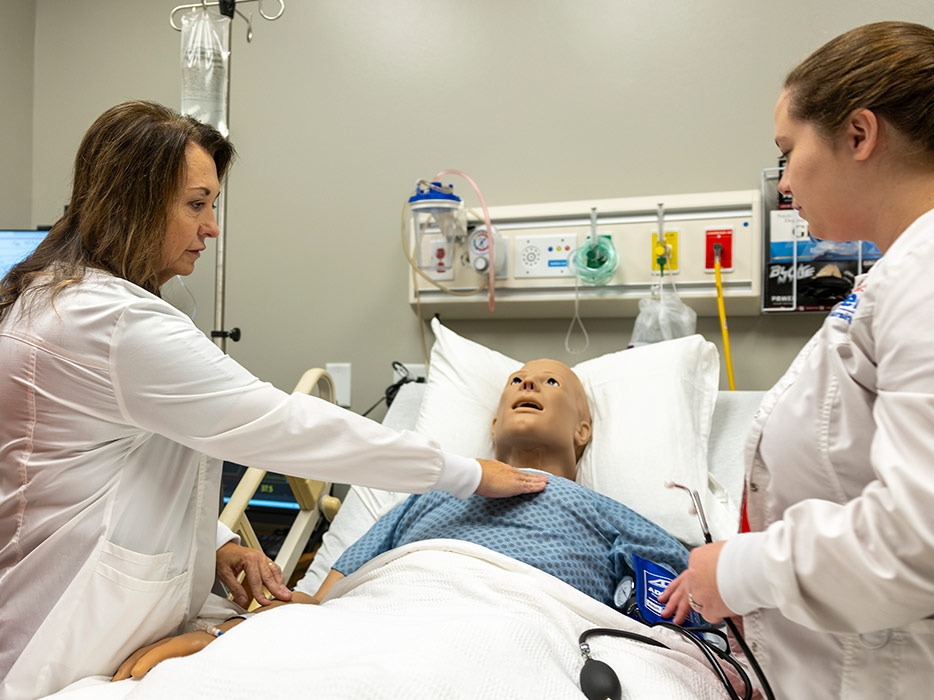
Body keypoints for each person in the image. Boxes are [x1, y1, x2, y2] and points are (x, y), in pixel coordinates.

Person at [0, 100, 546, 700]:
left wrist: (214, 544)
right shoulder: (114, 323)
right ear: (135, 201)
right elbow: (286, 427)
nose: (211, 227)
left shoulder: (50, 300)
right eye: (197, 204)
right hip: (62, 636)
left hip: (84, 612)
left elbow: (98, 467)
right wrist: (467, 473)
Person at [660, 22, 934, 698]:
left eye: (788, 151)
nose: (784, 182)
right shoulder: (924, 265)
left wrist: (736, 572)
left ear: (859, 135)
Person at [113, 359, 692, 680]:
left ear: (583, 432)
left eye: (550, 381)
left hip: (518, 623)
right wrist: (229, 635)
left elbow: (694, 597)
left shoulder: (600, 511)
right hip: (394, 609)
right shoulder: (428, 496)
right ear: (492, 427)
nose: (527, 384)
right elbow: (327, 606)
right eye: (515, 380)